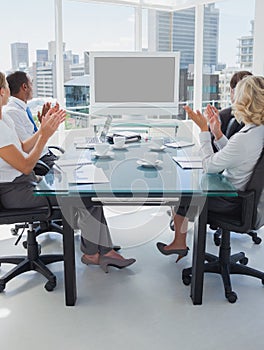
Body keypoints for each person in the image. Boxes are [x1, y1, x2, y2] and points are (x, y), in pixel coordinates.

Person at [0, 71, 136, 272]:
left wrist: (44, 128)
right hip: (16, 191)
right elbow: (26, 165)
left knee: (89, 193)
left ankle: (100, 251)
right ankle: (96, 253)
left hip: (25, 182)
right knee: (85, 197)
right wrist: (45, 136)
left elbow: (24, 146)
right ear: (3, 91)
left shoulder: (5, 121)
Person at [157, 75, 264, 261]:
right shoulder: (256, 132)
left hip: (233, 202)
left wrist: (204, 131)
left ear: (245, 101)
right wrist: (217, 133)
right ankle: (179, 242)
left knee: (183, 193)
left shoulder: (246, 137)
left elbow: (209, 166)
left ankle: (179, 243)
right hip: (249, 202)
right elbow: (236, 154)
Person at [3, 71, 59, 174]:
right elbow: (25, 149)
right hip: (41, 161)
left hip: (46, 155)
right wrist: (43, 130)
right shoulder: (12, 113)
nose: (33, 88)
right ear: (24, 87)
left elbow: (29, 136)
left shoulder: (22, 109)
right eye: (31, 84)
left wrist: (42, 122)